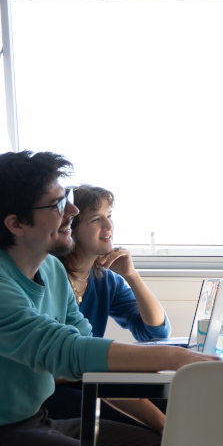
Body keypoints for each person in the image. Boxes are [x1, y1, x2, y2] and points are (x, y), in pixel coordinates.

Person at [0, 151, 217, 446]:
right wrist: (175, 357)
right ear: (16, 224)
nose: (72, 211)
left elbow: (92, 361)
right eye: (58, 204)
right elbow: (67, 351)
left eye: (67, 198)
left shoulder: (51, 269)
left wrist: (163, 424)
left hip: (33, 421)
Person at [43, 184, 172, 431]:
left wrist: (132, 275)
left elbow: (155, 331)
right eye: (96, 219)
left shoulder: (104, 279)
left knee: (167, 397)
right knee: (137, 416)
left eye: (109, 216)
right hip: (51, 390)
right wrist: (107, 367)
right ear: (71, 228)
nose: (109, 226)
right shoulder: (48, 275)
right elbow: (48, 366)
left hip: (87, 376)